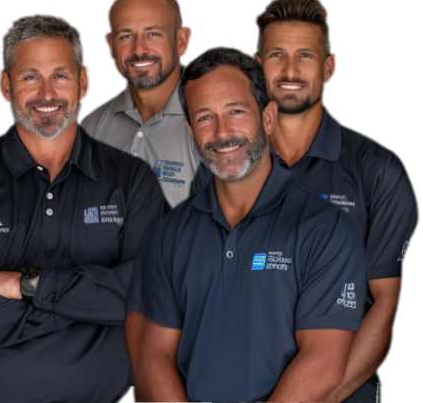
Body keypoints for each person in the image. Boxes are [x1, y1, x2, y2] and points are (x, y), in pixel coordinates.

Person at [0, 14, 165, 403]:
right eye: (30, 76)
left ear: (83, 82)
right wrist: (87, 309)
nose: (47, 93)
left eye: (60, 76)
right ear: (4, 85)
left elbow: (150, 295)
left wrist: (27, 285)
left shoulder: (131, 180)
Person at [127, 46, 367, 403]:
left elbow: (324, 362)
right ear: (191, 130)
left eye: (235, 112)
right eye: (205, 117)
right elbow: (153, 353)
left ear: (268, 118)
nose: (223, 133)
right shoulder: (166, 234)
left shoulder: (327, 229)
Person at [251, 0, 418, 403]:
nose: (290, 70)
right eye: (277, 55)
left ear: (329, 67)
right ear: (257, 67)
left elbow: (383, 306)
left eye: (305, 56)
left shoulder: (378, 170)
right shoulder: (223, 167)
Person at [81, 0, 199, 209]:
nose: (138, 49)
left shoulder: (216, 122)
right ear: (110, 46)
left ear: (182, 41)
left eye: (153, 34)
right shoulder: (90, 129)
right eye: (126, 36)